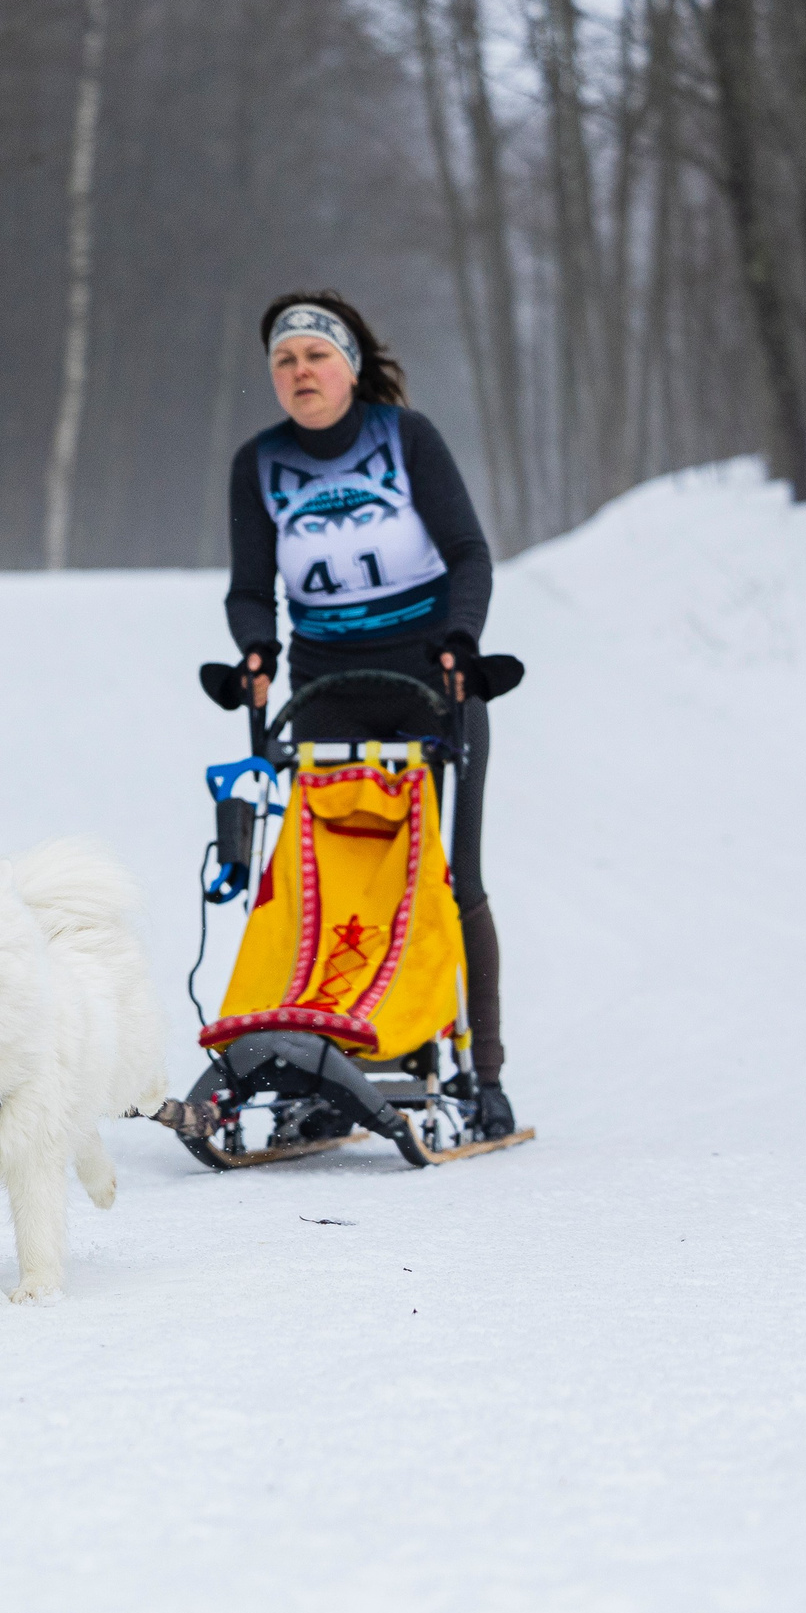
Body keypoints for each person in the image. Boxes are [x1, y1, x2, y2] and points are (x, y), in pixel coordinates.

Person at [222, 290, 516, 1138]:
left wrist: (462, 641)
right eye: (284, 360)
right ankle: (321, 1070)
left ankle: (482, 1071)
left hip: (430, 678)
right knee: (322, 882)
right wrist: (256, 653)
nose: (300, 371)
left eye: (316, 355)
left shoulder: (406, 437)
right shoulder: (259, 463)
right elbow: (252, 587)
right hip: (324, 688)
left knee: (451, 875)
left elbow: (468, 553)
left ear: (350, 367)